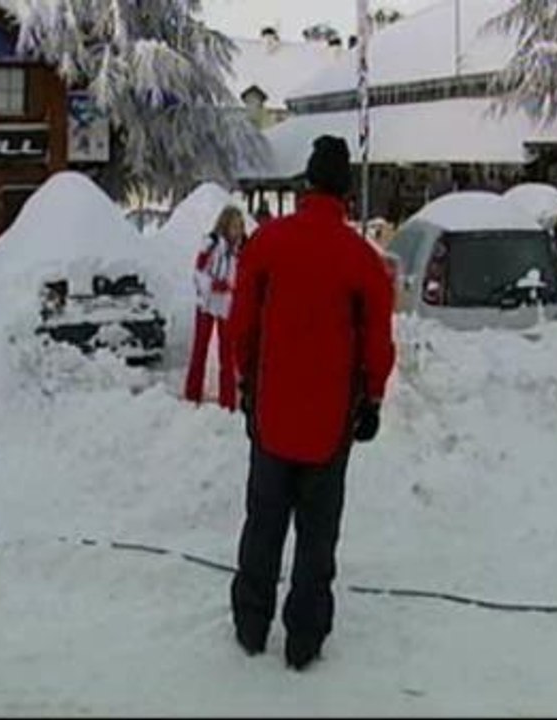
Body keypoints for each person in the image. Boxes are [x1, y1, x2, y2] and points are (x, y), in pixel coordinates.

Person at [227, 135, 396, 671]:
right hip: (331, 422)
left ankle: (251, 626)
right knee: (317, 536)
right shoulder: (361, 260)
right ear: (346, 193)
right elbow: (378, 341)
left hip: (271, 414)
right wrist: (371, 398)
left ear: (306, 183)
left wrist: (246, 384)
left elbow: (241, 324)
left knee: (263, 523)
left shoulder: (268, 243)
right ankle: (304, 640)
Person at [183, 206, 247, 411]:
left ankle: (228, 401)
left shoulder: (242, 249)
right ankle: (192, 395)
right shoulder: (210, 244)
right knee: (200, 349)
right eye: (234, 226)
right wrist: (212, 285)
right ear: (225, 225)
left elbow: (243, 276)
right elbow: (198, 273)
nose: (237, 231)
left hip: (227, 305)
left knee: (227, 354)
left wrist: (233, 288)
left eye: (240, 226)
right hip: (207, 303)